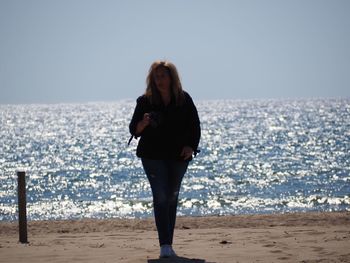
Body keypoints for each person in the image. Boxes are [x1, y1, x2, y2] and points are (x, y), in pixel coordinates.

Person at [129, 60, 201, 258]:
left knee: (171, 197)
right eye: (156, 76)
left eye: (163, 76)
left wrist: (190, 146)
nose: (159, 80)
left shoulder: (183, 99)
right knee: (160, 196)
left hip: (178, 156)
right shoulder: (145, 101)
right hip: (152, 156)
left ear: (171, 78)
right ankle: (165, 246)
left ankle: (168, 243)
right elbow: (133, 129)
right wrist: (143, 123)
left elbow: (194, 125)